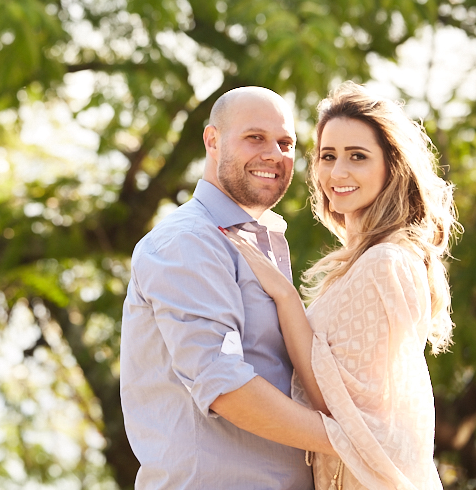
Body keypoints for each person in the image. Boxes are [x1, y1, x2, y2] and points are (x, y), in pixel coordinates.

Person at [224, 82, 457, 489]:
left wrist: (284, 296)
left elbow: (336, 407)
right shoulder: (364, 262)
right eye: (328, 156)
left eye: (358, 157)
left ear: (391, 167)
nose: (338, 172)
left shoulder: (385, 263)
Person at [120, 86, 334, 490]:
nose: (274, 153)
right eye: (255, 137)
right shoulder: (188, 241)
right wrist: (352, 440)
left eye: (285, 142)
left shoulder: (259, 241)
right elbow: (224, 384)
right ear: (212, 140)